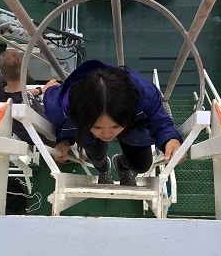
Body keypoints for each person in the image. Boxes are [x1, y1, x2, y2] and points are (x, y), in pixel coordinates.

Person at [43, 60, 183, 186]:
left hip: (132, 125)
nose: (106, 134)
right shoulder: (59, 109)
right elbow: (53, 99)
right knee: (96, 157)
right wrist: (64, 140)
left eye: (115, 125)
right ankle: (104, 169)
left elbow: (159, 120)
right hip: (87, 127)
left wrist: (170, 139)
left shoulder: (145, 95)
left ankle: (121, 164)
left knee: (142, 166)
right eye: (97, 126)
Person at [0, 48, 59, 146]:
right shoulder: (29, 106)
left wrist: (41, 90)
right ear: (25, 72)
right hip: (36, 134)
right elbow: (47, 128)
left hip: (21, 130)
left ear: (2, 73)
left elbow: (18, 93)